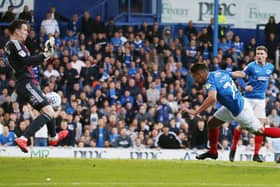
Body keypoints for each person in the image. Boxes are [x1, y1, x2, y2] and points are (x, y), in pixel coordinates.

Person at [186, 63, 280, 160]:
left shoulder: (210, 81)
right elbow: (238, 74)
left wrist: (197, 111)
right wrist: (245, 75)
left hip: (240, 110)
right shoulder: (219, 72)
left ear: (200, 74)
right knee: (212, 124)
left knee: (260, 131)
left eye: (194, 76)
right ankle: (213, 152)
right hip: (231, 107)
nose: (195, 79)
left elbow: (212, 98)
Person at [4, 19, 68, 153]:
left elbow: (28, 63)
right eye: (25, 30)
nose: (27, 33)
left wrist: (45, 55)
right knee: (48, 112)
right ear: (16, 30)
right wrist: (45, 54)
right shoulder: (14, 43)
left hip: (26, 82)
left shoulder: (14, 45)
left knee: (47, 109)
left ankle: (53, 137)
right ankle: (24, 138)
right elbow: (27, 61)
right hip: (27, 83)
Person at [229, 46, 274, 162]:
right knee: (242, 126)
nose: (259, 55)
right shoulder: (251, 66)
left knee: (260, 127)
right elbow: (239, 78)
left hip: (260, 101)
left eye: (261, 53)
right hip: (248, 99)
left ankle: (256, 154)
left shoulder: (270, 67)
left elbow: (266, 79)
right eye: (257, 53)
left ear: (266, 55)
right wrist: (245, 86)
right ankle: (233, 150)